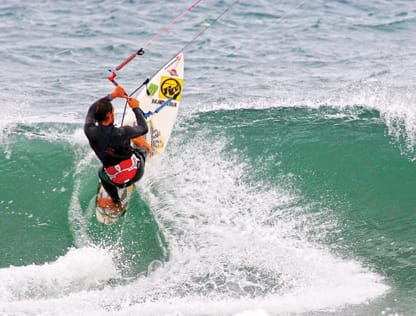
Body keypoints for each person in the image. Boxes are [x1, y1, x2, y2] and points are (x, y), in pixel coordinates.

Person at [84, 85, 152, 211]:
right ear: (109, 115)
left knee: (101, 172)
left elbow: (91, 109)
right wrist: (136, 108)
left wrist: (113, 95)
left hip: (116, 181)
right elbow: (144, 128)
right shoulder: (123, 132)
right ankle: (147, 148)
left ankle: (116, 203)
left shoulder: (89, 131)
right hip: (137, 173)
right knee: (142, 150)